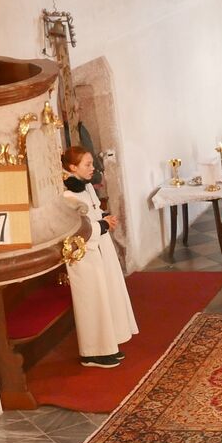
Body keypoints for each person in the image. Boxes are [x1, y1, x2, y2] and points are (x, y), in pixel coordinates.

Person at [61, 146, 136, 368]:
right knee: (92, 303)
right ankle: (92, 353)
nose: (92, 168)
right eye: (87, 164)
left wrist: (104, 217)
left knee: (106, 297)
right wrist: (102, 225)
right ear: (73, 167)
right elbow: (76, 228)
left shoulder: (85, 186)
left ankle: (109, 346)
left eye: (92, 163)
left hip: (101, 248)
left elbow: (93, 213)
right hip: (84, 255)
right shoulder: (68, 195)